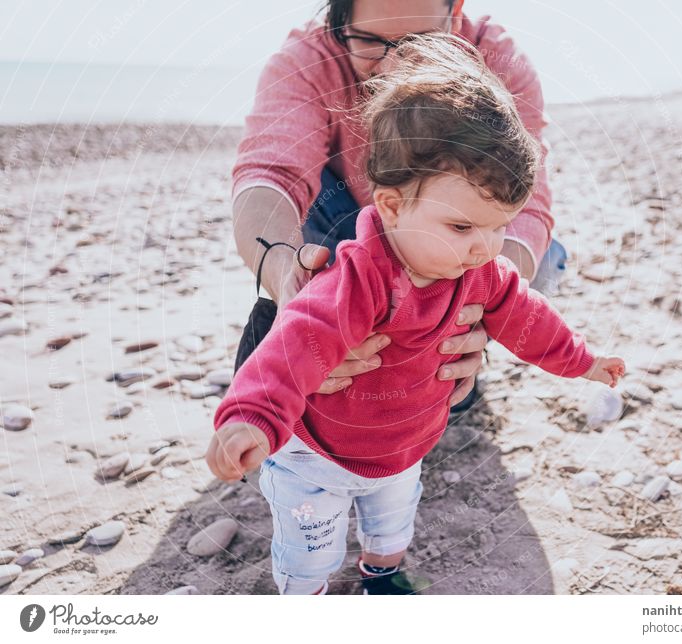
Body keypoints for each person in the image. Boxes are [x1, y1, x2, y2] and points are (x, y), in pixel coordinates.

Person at [207, 35, 626, 595]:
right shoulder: (357, 282)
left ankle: (381, 573)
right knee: (312, 550)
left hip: (403, 448)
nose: (486, 247)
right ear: (393, 205)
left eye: (499, 227)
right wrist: (249, 416)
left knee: (392, 524)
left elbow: (530, 320)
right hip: (319, 455)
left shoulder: (479, 271)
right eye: (462, 227)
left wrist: (584, 362)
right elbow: (292, 346)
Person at [232, 0, 565, 414]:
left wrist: (481, 310)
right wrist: (284, 277)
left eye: (420, 42)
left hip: (468, 237)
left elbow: (528, 205)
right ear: (340, 21)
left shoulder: (501, 59)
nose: (394, 67)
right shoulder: (307, 59)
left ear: (455, 13)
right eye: (370, 42)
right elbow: (269, 176)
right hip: (347, 222)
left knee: (542, 261)